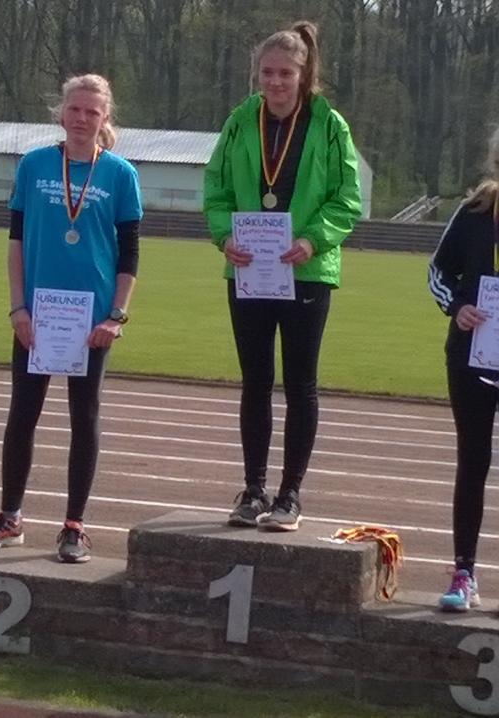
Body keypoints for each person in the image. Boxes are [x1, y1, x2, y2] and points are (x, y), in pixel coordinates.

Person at [0, 74, 143, 563]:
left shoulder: (120, 174)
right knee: (23, 414)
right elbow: (16, 243)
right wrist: (17, 307)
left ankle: (74, 527)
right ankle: (10, 517)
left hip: (91, 320)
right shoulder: (35, 164)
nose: (82, 118)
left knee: (84, 418)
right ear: (61, 113)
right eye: (75, 109)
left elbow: (130, 254)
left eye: (92, 111)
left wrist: (116, 316)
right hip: (38, 315)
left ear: (105, 118)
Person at [203, 21, 361, 532]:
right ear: (257, 73)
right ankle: (253, 491)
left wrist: (314, 239)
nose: (275, 82)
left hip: (306, 269)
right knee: (255, 382)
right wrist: (224, 235)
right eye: (267, 72)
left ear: (303, 73)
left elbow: (347, 198)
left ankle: (290, 495)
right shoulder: (239, 121)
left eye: (285, 73)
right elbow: (216, 188)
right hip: (249, 267)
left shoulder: (329, 124)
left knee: (300, 383)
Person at [428, 126, 499, 612]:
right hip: (471, 356)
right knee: (472, 461)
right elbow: (438, 271)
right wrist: (457, 307)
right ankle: (463, 573)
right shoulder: (475, 211)